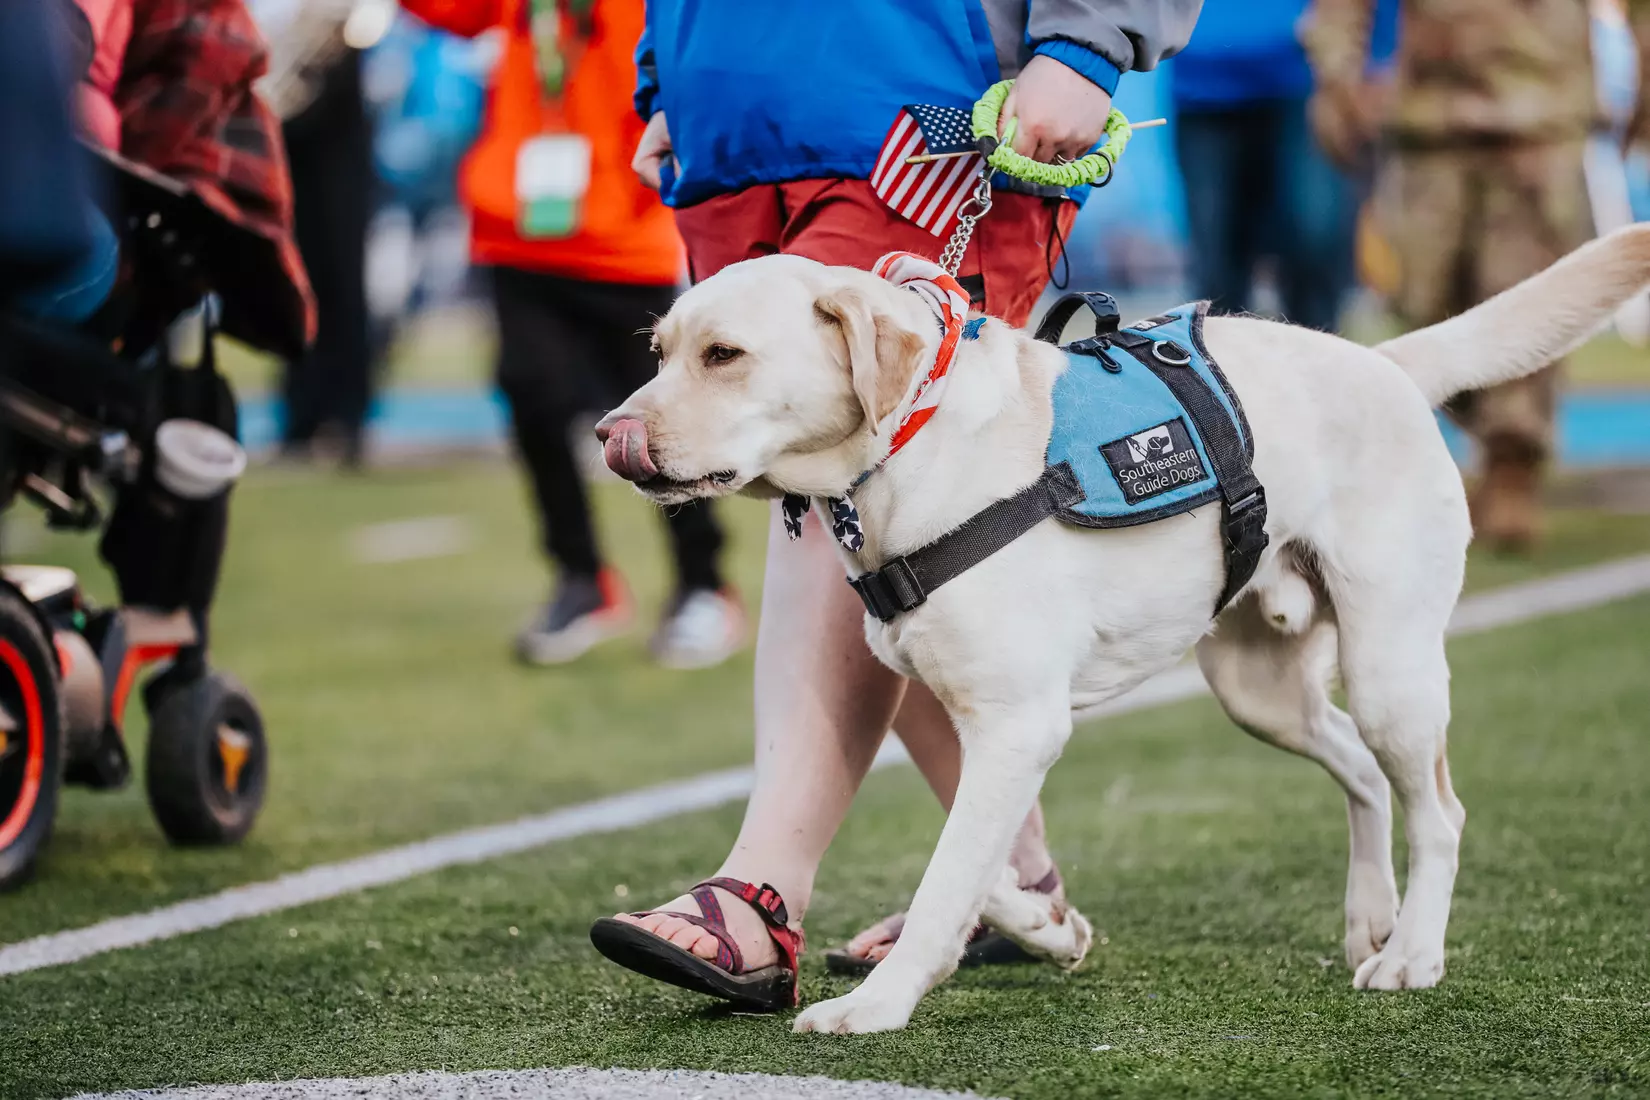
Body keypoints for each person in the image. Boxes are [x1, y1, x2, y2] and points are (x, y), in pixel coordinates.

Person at [590, 0, 1201, 1009]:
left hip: (921, 107)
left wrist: (1089, 40)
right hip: (732, 114)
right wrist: (670, 70)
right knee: (843, 503)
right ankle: (1016, 880)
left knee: (855, 496)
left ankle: (763, 891)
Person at [400, 0, 744, 669]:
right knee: (532, 398)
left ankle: (702, 584)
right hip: (521, 227)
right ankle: (581, 578)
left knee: (660, 423)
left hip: (625, 235)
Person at [1304, 0, 1650, 549]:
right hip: (1428, 124)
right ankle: (1485, 431)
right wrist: (1336, 75)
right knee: (1422, 301)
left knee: (1526, 295)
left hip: (1541, 117)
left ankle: (1514, 461)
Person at [1171, 0, 1394, 331]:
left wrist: (1381, 53)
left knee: (1314, 243)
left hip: (1306, 77)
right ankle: (1221, 376)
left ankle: (1319, 369)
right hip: (1201, 82)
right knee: (1216, 273)